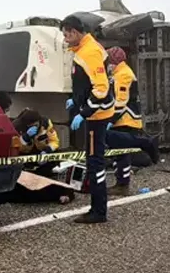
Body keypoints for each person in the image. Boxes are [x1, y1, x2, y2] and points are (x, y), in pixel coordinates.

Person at [61, 15, 114, 224]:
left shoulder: (89, 52)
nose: (65, 39)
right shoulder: (84, 49)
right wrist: (75, 101)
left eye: (66, 34)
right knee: (94, 159)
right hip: (95, 113)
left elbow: (101, 88)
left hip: (97, 116)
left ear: (75, 32)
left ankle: (98, 211)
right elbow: (86, 83)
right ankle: (97, 208)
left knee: (95, 162)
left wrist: (84, 113)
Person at [104, 46, 160, 193]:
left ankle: (122, 184)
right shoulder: (119, 73)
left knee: (120, 151)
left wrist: (110, 120)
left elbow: (121, 102)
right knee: (119, 152)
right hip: (123, 119)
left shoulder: (123, 75)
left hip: (126, 119)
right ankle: (121, 183)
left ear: (114, 61)